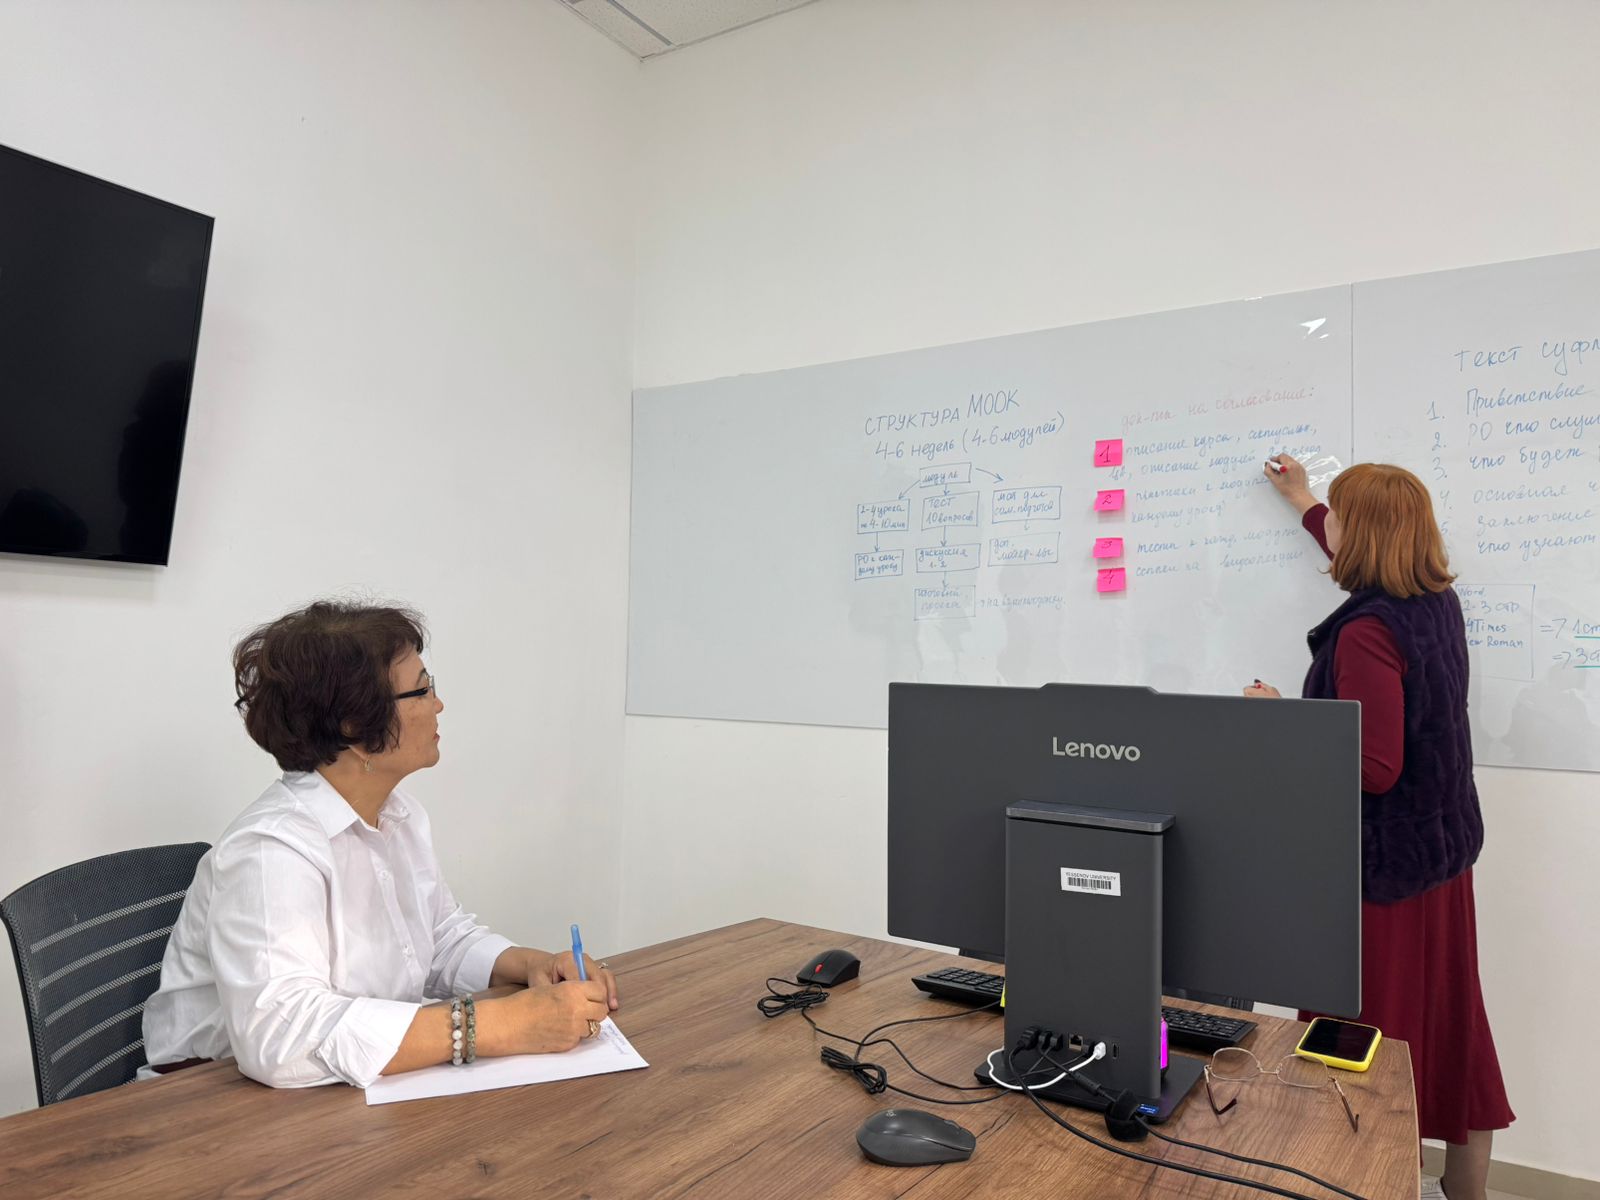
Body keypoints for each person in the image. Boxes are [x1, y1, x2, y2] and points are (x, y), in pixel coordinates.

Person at [142, 600, 619, 1087]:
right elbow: (282, 1039)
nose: (438, 704)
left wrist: (534, 965)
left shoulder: (399, 816)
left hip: (338, 1091)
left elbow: (438, 940)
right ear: (354, 726)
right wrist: (501, 1025)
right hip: (208, 1100)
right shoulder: (270, 851)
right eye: (422, 690)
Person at [1249, 458, 1513, 1200]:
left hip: (1380, 873)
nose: (1328, 525)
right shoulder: (1433, 600)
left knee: (1355, 1044)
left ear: (1362, 535)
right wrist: (1303, 499)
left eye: (1337, 515)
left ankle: (1358, 1183)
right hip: (1441, 857)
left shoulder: (1366, 631)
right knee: (1451, 1024)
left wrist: (1281, 720)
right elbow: (1352, 544)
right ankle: (1466, 1189)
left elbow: (1372, 766)